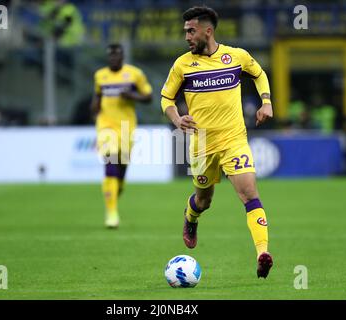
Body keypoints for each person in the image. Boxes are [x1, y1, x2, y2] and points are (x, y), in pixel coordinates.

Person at [161, 6, 274, 278]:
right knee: (204, 199)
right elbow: (166, 99)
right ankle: (191, 217)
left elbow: (258, 73)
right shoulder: (182, 64)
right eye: (185, 30)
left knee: (249, 194)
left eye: (191, 30)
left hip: (234, 140)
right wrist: (177, 119)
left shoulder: (236, 57)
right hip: (200, 145)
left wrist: (266, 102)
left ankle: (262, 252)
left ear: (207, 31)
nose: (186, 36)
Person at [91, 44, 153, 228]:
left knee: (121, 167)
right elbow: (97, 97)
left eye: (117, 55)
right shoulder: (100, 75)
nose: (113, 59)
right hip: (105, 126)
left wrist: (132, 96)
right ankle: (111, 214)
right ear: (107, 57)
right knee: (110, 162)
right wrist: (94, 108)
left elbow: (148, 97)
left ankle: (117, 190)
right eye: (110, 56)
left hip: (127, 127)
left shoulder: (135, 74)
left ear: (122, 56)